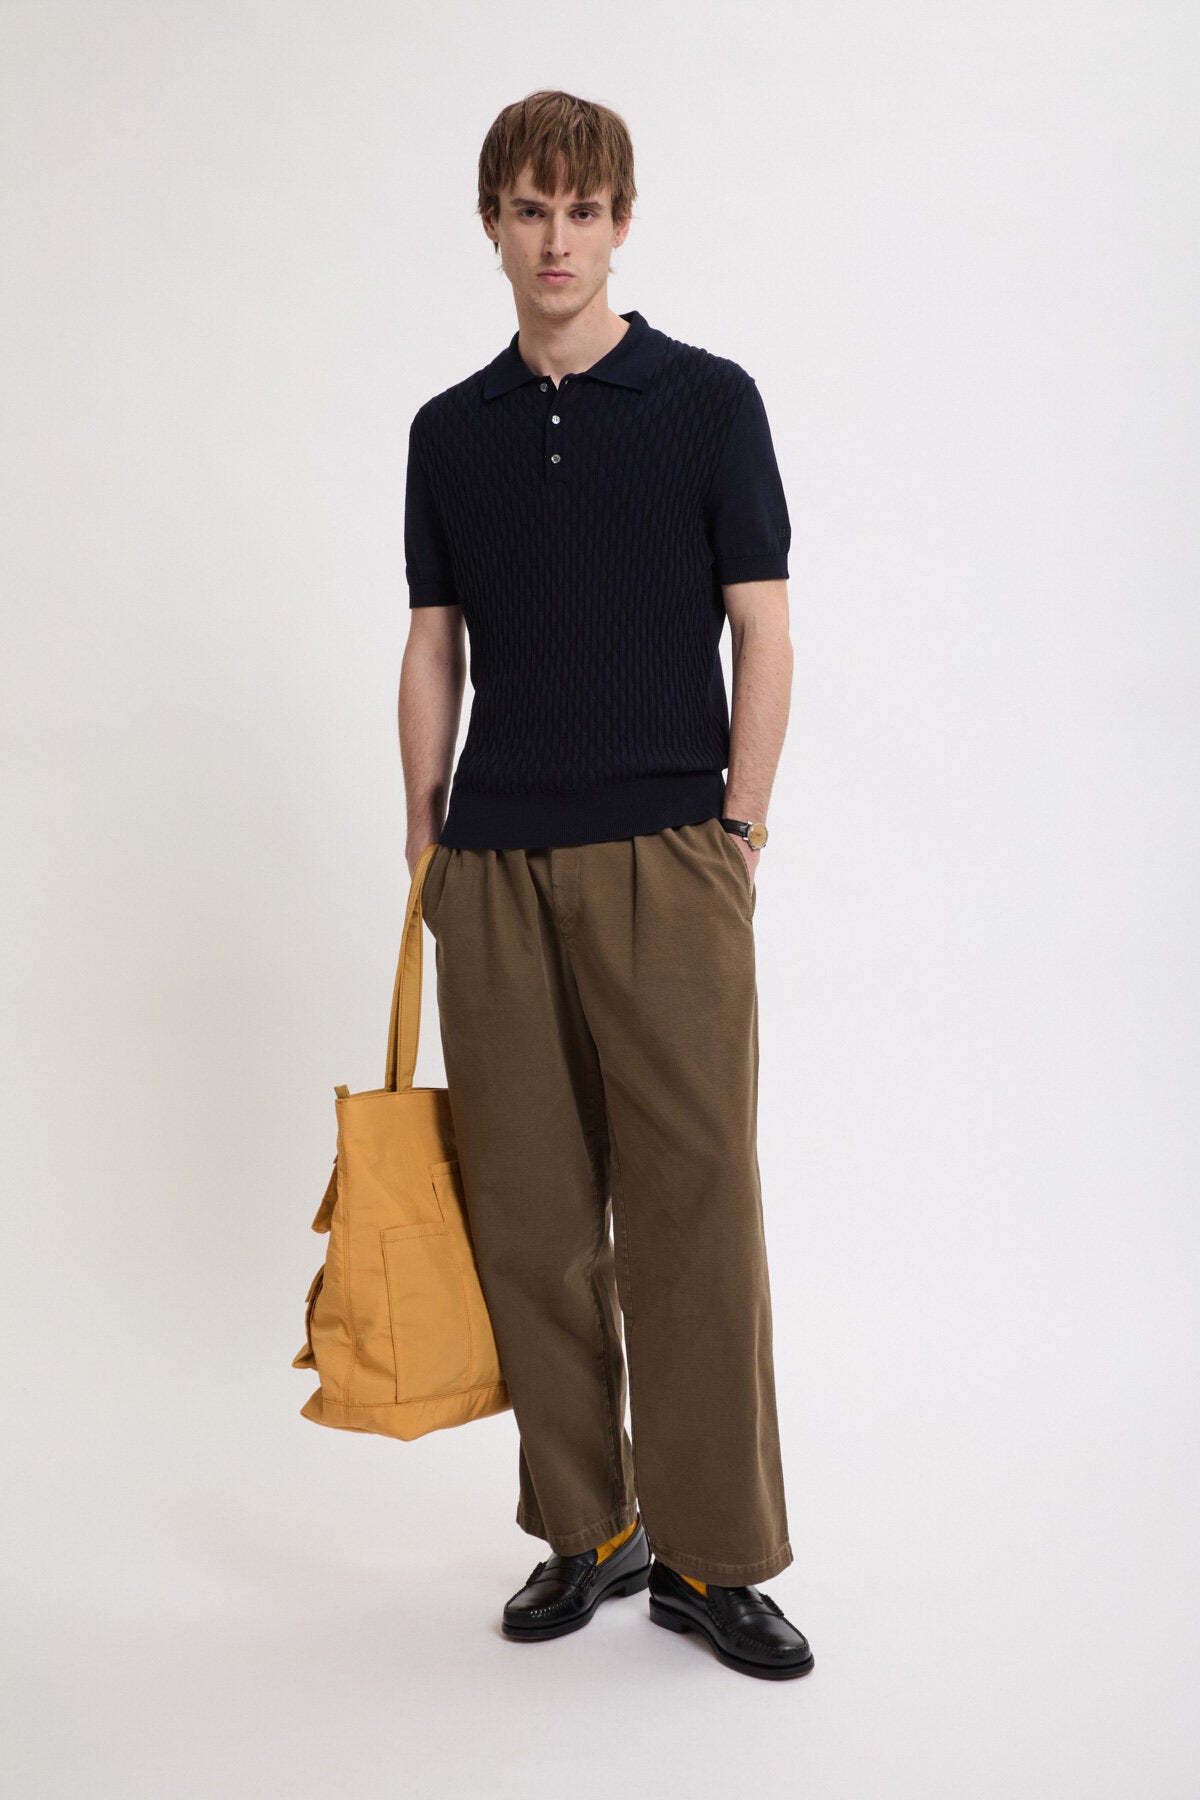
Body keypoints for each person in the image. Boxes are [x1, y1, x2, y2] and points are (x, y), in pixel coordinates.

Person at [398, 88, 813, 1681]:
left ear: (621, 220)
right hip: (494, 863)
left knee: (695, 1208)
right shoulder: (450, 431)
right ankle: (590, 1528)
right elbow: (434, 642)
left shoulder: (709, 402)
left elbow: (762, 626)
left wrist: (741, 828)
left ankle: (714, 1557)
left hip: (669, 853)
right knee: (531, 1215)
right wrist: (426, 839)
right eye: (529, 209)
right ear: (491, 226)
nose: (556, 239)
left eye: (582, 209)